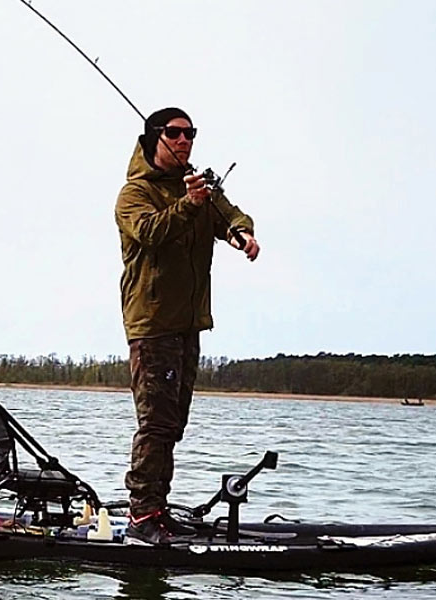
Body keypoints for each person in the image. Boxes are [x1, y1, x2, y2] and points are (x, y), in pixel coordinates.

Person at [114, 107, 260, 545]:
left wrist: (241, 233)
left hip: (188, 324)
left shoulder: (199, 190)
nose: (184, 141)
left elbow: (230, 215)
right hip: (153, 322)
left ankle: (157, 509)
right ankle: (142, 516)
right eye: (175, 134)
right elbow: (151, 233)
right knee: (156, 422)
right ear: (153, 139)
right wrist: (189, 204)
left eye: (190, 134)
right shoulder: (133, 194)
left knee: (173, 422)